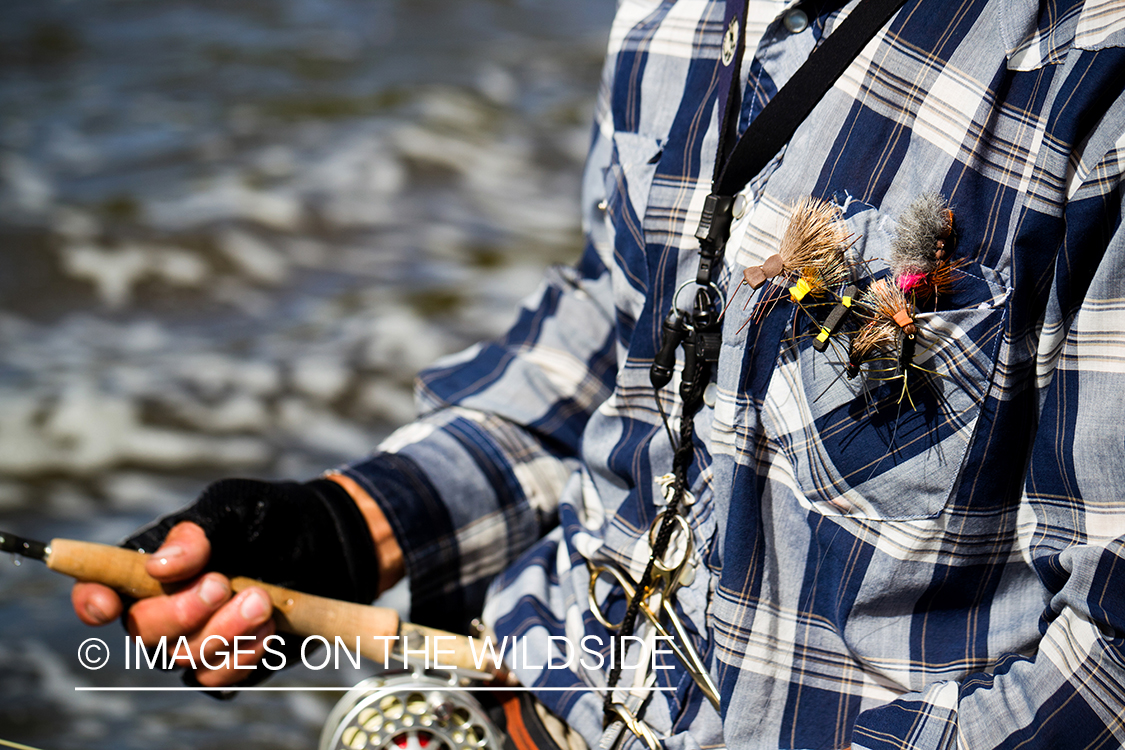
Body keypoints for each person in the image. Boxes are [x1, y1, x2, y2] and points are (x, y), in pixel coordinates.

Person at [73, 0, 1125, 747]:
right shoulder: (668, 21)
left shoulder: (1094, 71)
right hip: (526, 703)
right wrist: (355, 526)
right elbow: (614, 341)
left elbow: (1109, 665)